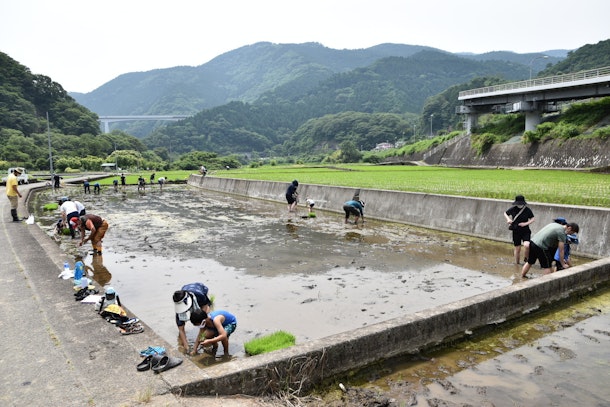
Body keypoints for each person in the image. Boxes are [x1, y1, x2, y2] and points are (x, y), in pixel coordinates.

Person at [172, 283, 212, 352]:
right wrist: (186, 346)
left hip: (200, 290)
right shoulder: (178, 306)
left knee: (203, 318)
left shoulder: (200, 295)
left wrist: (201, 335)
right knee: (181, 326)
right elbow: (181, 329)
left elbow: (205, 307)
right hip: (185, 288)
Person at [504, 195, 535, 264]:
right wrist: (508, 219)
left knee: (527, 245)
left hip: (525, 230)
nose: (519, 205)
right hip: (516, 231)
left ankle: (526, 260)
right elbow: (505, 213)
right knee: (517, 248)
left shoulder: (527, 210)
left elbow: (533, 219)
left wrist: (525, 223)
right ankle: (517, 263)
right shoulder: (513, 209)